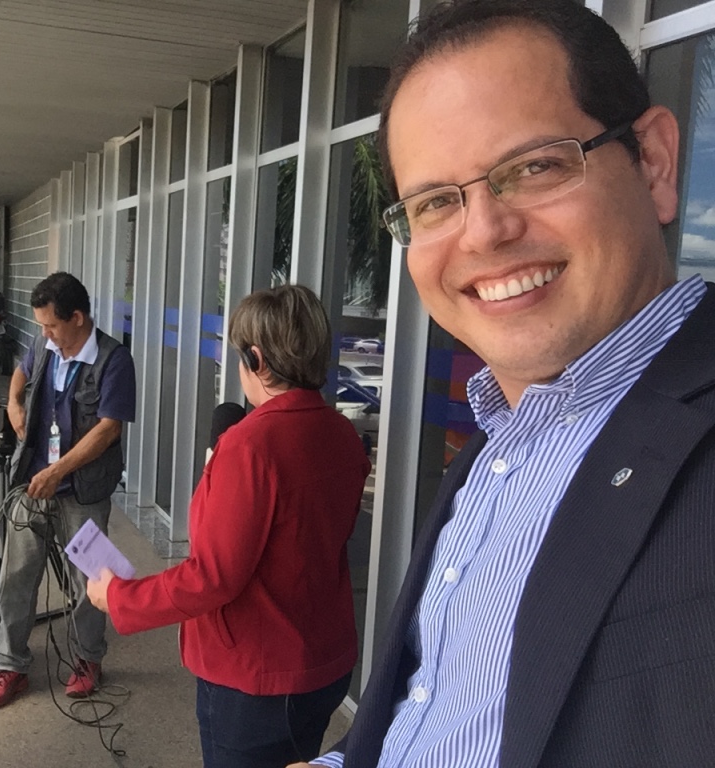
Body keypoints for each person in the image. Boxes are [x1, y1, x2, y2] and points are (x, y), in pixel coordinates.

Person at [289, 1, 715, 767]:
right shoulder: (493, 452)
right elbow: (450, 714)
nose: (484, 232)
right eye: (435, 202)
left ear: (653, 161)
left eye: (535, 167)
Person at [87, 284, 371, 768]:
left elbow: (212, 577)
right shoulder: (341, 433)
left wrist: (119, 598)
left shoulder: (250, 445)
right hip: (322, 661)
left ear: (255, 358)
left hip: (257, 677)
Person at [0, 271, 136, 708]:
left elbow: (108, 429)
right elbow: (21, 371)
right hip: (33, 481)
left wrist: (59, 471)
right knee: (15, 577)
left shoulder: (114, 360)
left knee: (91, 581)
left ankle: (88, 659)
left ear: (77, 318)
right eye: (42, 326)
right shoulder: (43, 344)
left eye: (51, 325)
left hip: (83, 490)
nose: (44, 333)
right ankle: (11, 665)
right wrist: (14, 403)